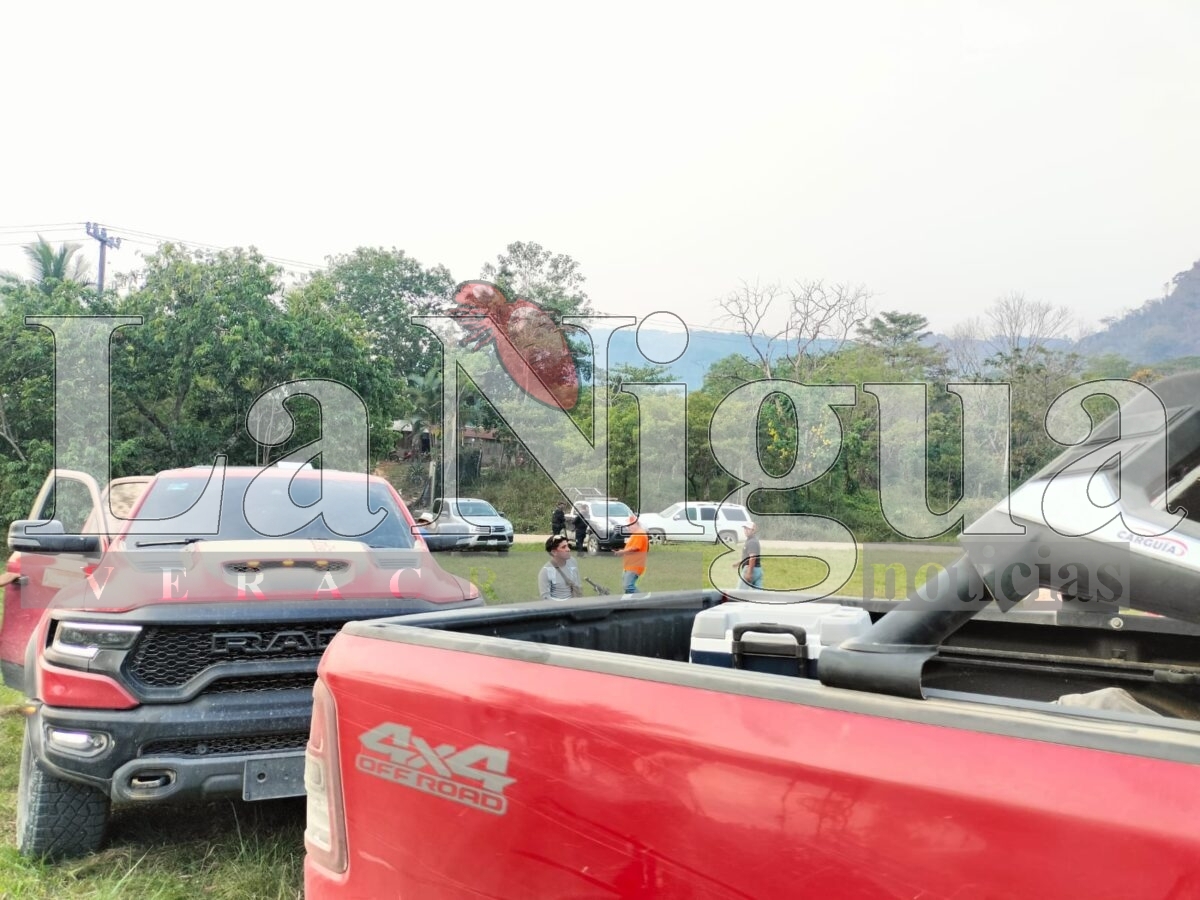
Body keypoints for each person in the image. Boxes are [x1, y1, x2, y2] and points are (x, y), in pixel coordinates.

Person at [538, 534, 583, 600]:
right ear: (554, 552)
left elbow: (578, 585)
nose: (568, 549)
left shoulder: (572, 561)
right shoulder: (545, 572)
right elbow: (545, 598)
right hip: (558, 608)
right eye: (563, 547)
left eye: (568, 546)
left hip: (574, 605)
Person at [613, 515, 649, 595]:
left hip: (635, 565)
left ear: (635, 524)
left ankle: (643, 601)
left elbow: (635, 548)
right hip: (629, 565)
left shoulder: (639, 533)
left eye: (629, 525)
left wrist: (622, 552)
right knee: (627, 587)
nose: (628, 528)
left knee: (628, 586)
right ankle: (630, 603)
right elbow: (632, 547)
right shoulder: (636, 534)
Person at [734, 522, 763, 589]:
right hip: (758, 569)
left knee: (740, 594)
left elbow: (752, 558)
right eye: (745, 528)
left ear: (753, 530)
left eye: (748, 529)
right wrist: (739, 563)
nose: (746, 530)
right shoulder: (751, 540)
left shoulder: (752, 542)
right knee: (758, 595)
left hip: (750, 569)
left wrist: (749, 573)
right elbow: (748, 557)